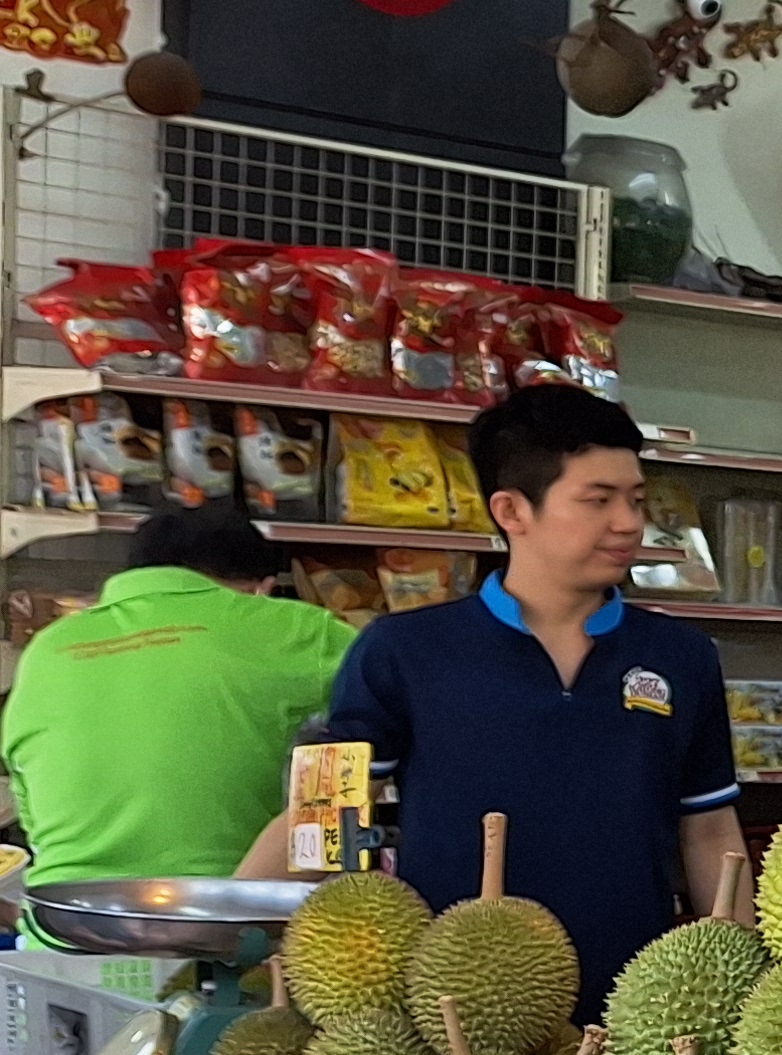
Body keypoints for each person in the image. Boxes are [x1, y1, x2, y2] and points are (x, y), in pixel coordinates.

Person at [243, 383, 740, 1018]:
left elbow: (711, 829)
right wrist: (229, 920)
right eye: (599, 500)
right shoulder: (402, 650)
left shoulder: (682, 657)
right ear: (511, 511)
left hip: (637, 1011)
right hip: (456, 1011)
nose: (629, 523)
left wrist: (741, 974)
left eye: (636, 500)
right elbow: (321, 819)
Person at [3, 503, 352, 884]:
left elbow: (27, 792)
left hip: (61, 919)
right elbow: (406, 695)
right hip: (229, 922)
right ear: (260, 588)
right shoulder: (299, 629)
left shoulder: (49, 646)